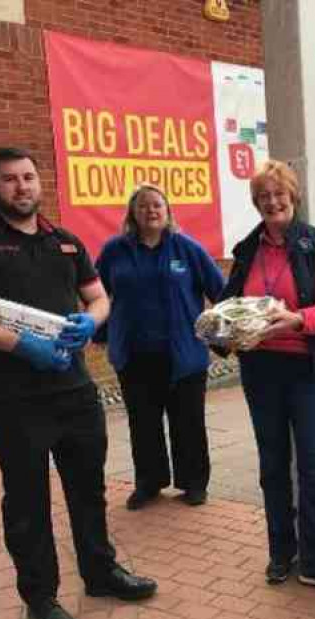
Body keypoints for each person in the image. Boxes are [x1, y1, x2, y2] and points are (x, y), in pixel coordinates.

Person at [0, 148, 158, 619]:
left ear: (40, 183)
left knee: (89, 490)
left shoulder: (66, 242)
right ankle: (41, 597)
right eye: (10, 179)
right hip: (15, 399)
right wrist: (22, 345)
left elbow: (99, 297)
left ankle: (101, 573)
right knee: (27, 501)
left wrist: (91, 320)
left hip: (74, 390)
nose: (22, 187)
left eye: (29, 177)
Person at [215, 159, 315, 595]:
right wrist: (219, 328)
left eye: (279, 194)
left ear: (293, 197)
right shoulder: (246, 250)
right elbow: (230, 305)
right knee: (273, 465)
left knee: (314, 467)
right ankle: (281, 553)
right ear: (256, 203)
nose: (272, 202)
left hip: (307, 369)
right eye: (263, 196)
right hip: (261, 370)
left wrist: (296, 320)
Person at [94, 183, 225, 510]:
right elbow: (95, 295)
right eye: (143, 206)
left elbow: (221, 292)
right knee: (143, 424)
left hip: (184, 355)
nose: (151, 211)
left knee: (188, 423)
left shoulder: (187, 249)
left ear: (167, 212)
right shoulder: (114, 251)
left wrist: (222, 335)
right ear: (132, 214)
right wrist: (101, 333)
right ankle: (149, 484)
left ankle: (194, 483)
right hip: (134, 357)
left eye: (157, 205)